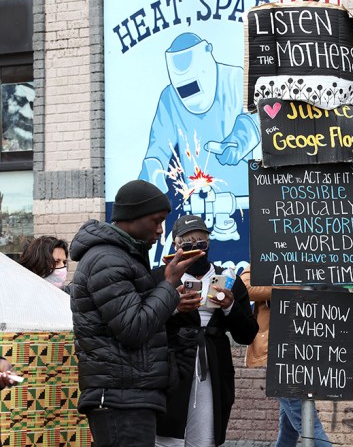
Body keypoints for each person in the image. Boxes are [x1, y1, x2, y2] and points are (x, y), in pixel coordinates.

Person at [68, 179, 204, 447]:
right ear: (132, 217)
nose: (160, 230)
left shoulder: (122, 256)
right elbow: (133, 328)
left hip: (129, 392)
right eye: (156, 220)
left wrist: (172, 304)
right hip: (120, 396)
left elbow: (132, 316)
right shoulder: (107, 259)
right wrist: (168, 284)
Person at [139, 32, 260, 241]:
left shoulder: (236, 79)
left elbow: (254, 118)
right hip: (196, 212)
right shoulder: (169, 98)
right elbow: (157, 150)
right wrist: (152, 181)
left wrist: (237, 144)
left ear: (208, 51)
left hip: (245, 204)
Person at [153, 215, 258, 447]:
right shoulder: (160, 277)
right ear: (175, 246)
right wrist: (172, 306)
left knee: (205, 437)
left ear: (209, 243)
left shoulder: (228, 278)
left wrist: (230, 306)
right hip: (172, 365)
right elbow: (145, 322)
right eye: (188, 246)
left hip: (213, 365)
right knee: (167, 437)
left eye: (201, 244)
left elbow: (247, 334)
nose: (196, 250)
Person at [241, 265, 332, 447]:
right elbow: (245, 288)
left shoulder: (315, 257)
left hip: (307, 348)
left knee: (290, 426)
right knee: (307, 421)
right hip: (280, 351)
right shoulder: (269, 256)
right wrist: (291, 287)